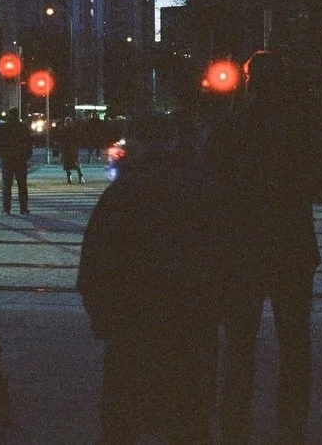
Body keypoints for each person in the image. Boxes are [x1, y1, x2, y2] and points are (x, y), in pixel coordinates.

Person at [204, 50, 322, 444]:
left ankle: (236, 429)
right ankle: (291, 430)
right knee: (295, 343)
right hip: (292, 244)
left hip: (243, 246)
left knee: (239, 345)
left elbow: (208, 182)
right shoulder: (305, 127)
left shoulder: (233, 126)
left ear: (250, 81)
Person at [78, 111, 223, 443]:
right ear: (174, 144)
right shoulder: (202, 191)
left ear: (135, 145)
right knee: (189, 422)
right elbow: (226, 259)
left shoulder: (121, 196)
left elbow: (95, 266)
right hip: (191, 323)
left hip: (132, 324)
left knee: (123, 422)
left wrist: (103, 319)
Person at [0, 108, 33, 215]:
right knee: (22, 185)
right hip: (20, 159)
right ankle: (23, 208)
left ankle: (7, 208)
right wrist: (26, 156)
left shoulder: (3, 128)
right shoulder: (23, 127)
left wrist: (2, 155)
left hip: (8, 160)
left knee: (7, 185)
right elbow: (29, 143)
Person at [57, 116, 85, 184]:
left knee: (67, 164)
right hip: (73, 149)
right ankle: (80, 177)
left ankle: (69, 178)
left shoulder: (63, 130)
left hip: (66, 149)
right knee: (76, 163)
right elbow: (78, 139)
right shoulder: (74, 130)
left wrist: (60, 149)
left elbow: (60, 140)